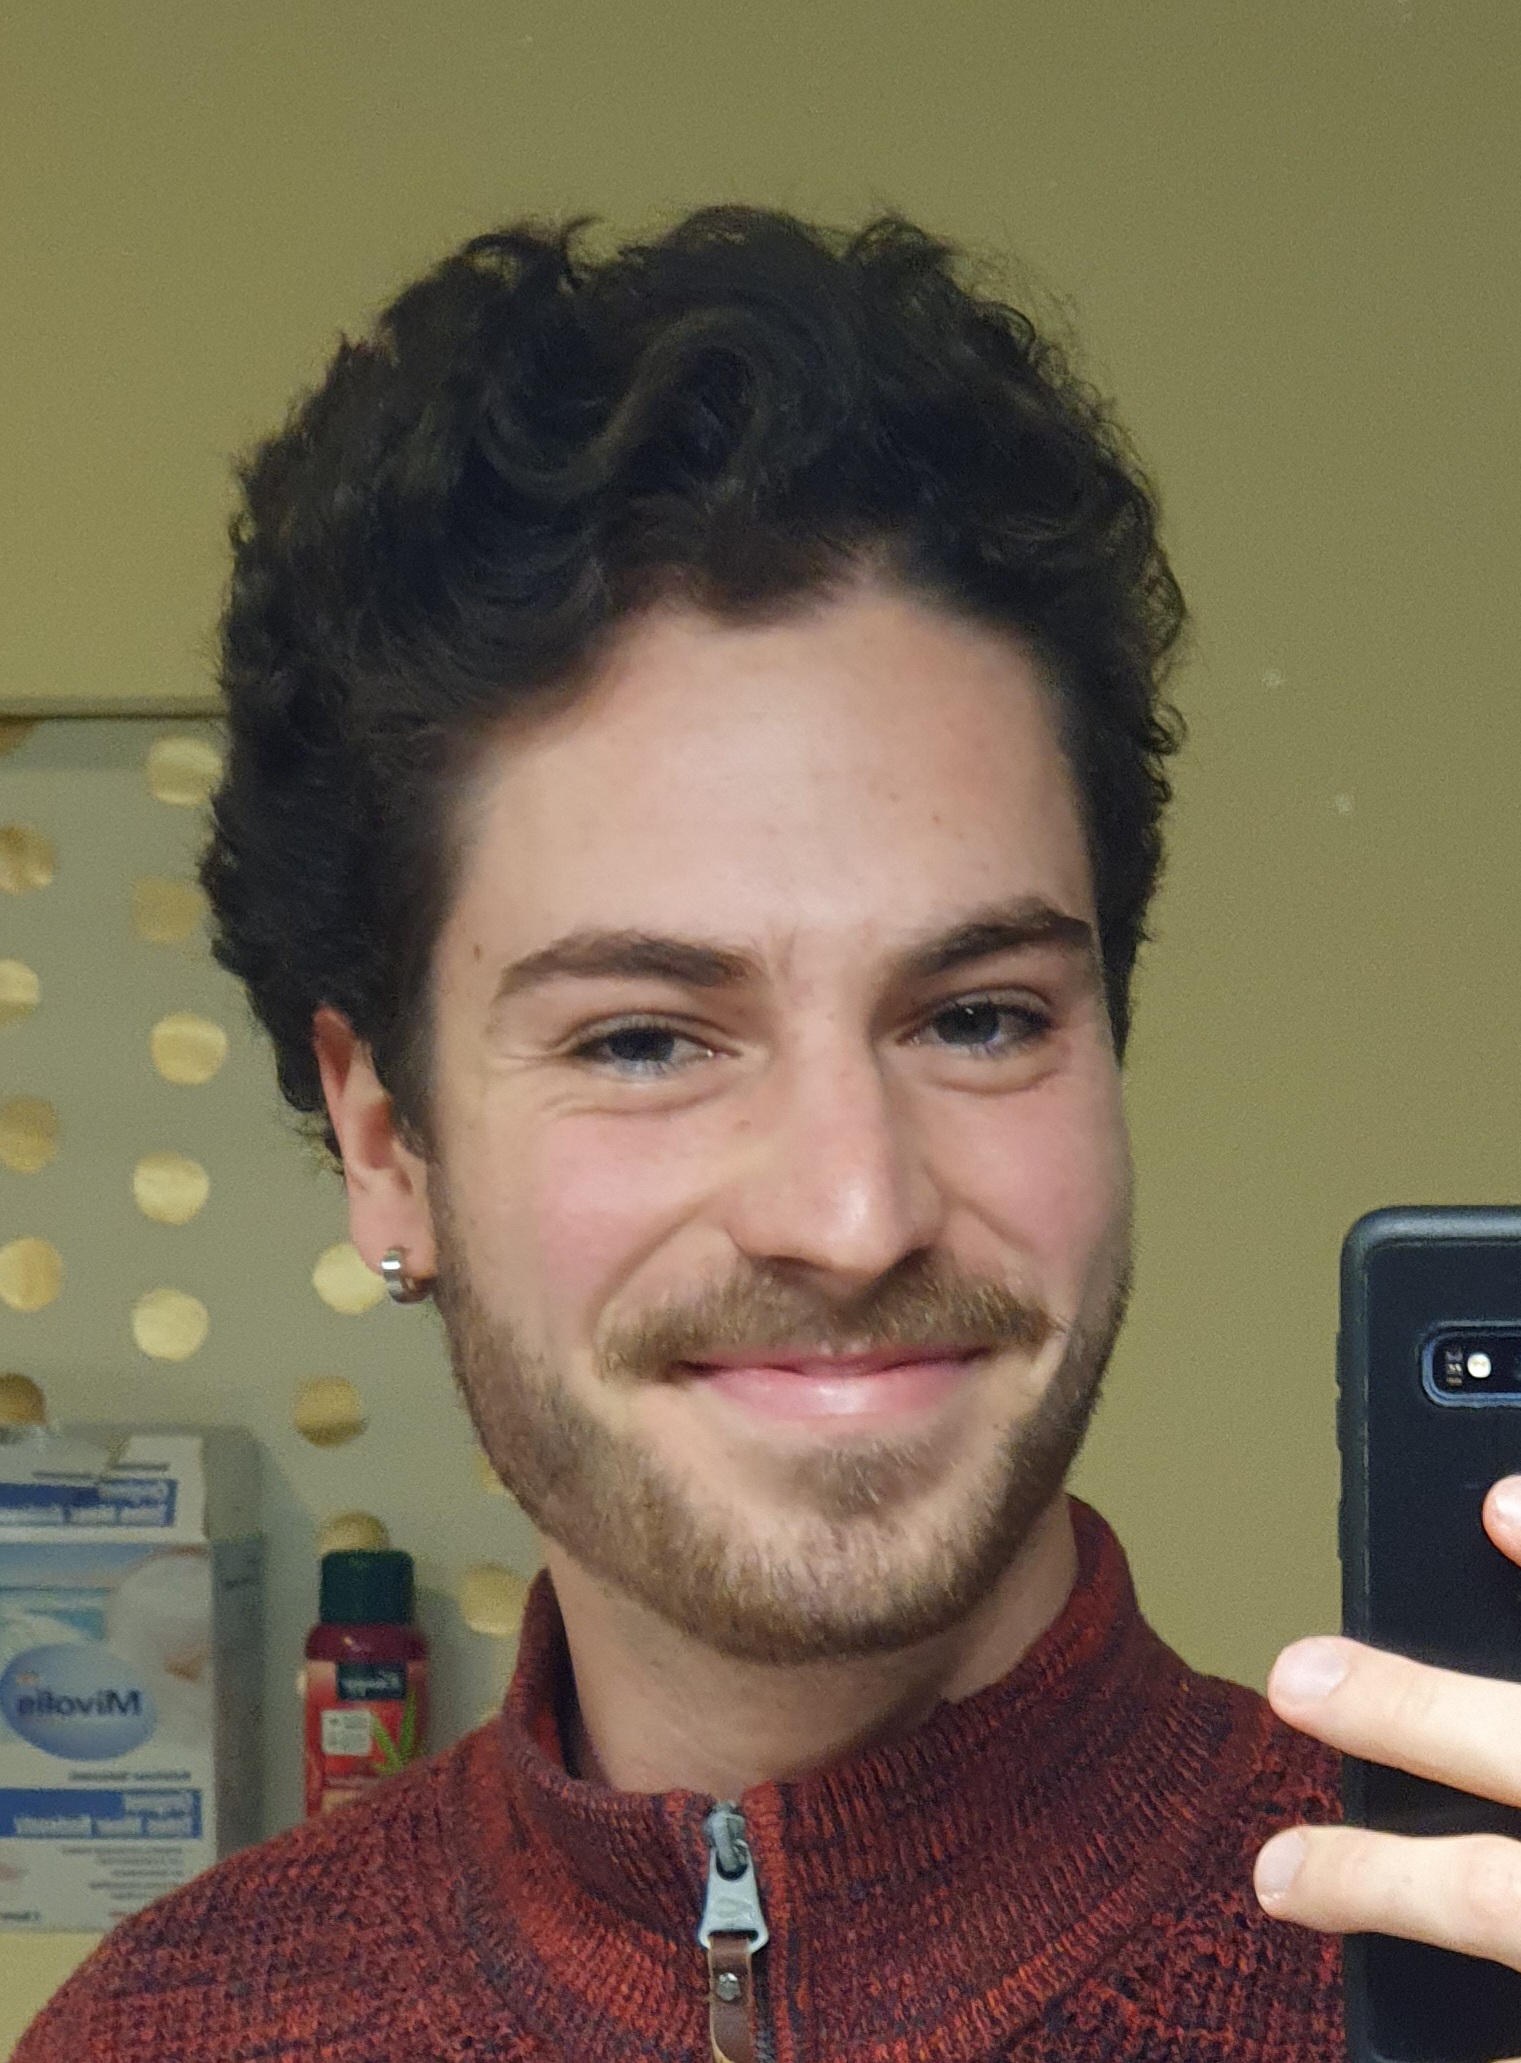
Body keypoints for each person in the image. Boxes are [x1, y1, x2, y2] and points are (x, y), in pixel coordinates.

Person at [17, 208, 1521, 2062]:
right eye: (646, 1039)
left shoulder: (1457, 1973)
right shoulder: (156, 2037)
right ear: (388, 1145)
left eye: (976, 1017)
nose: (852, 1210)